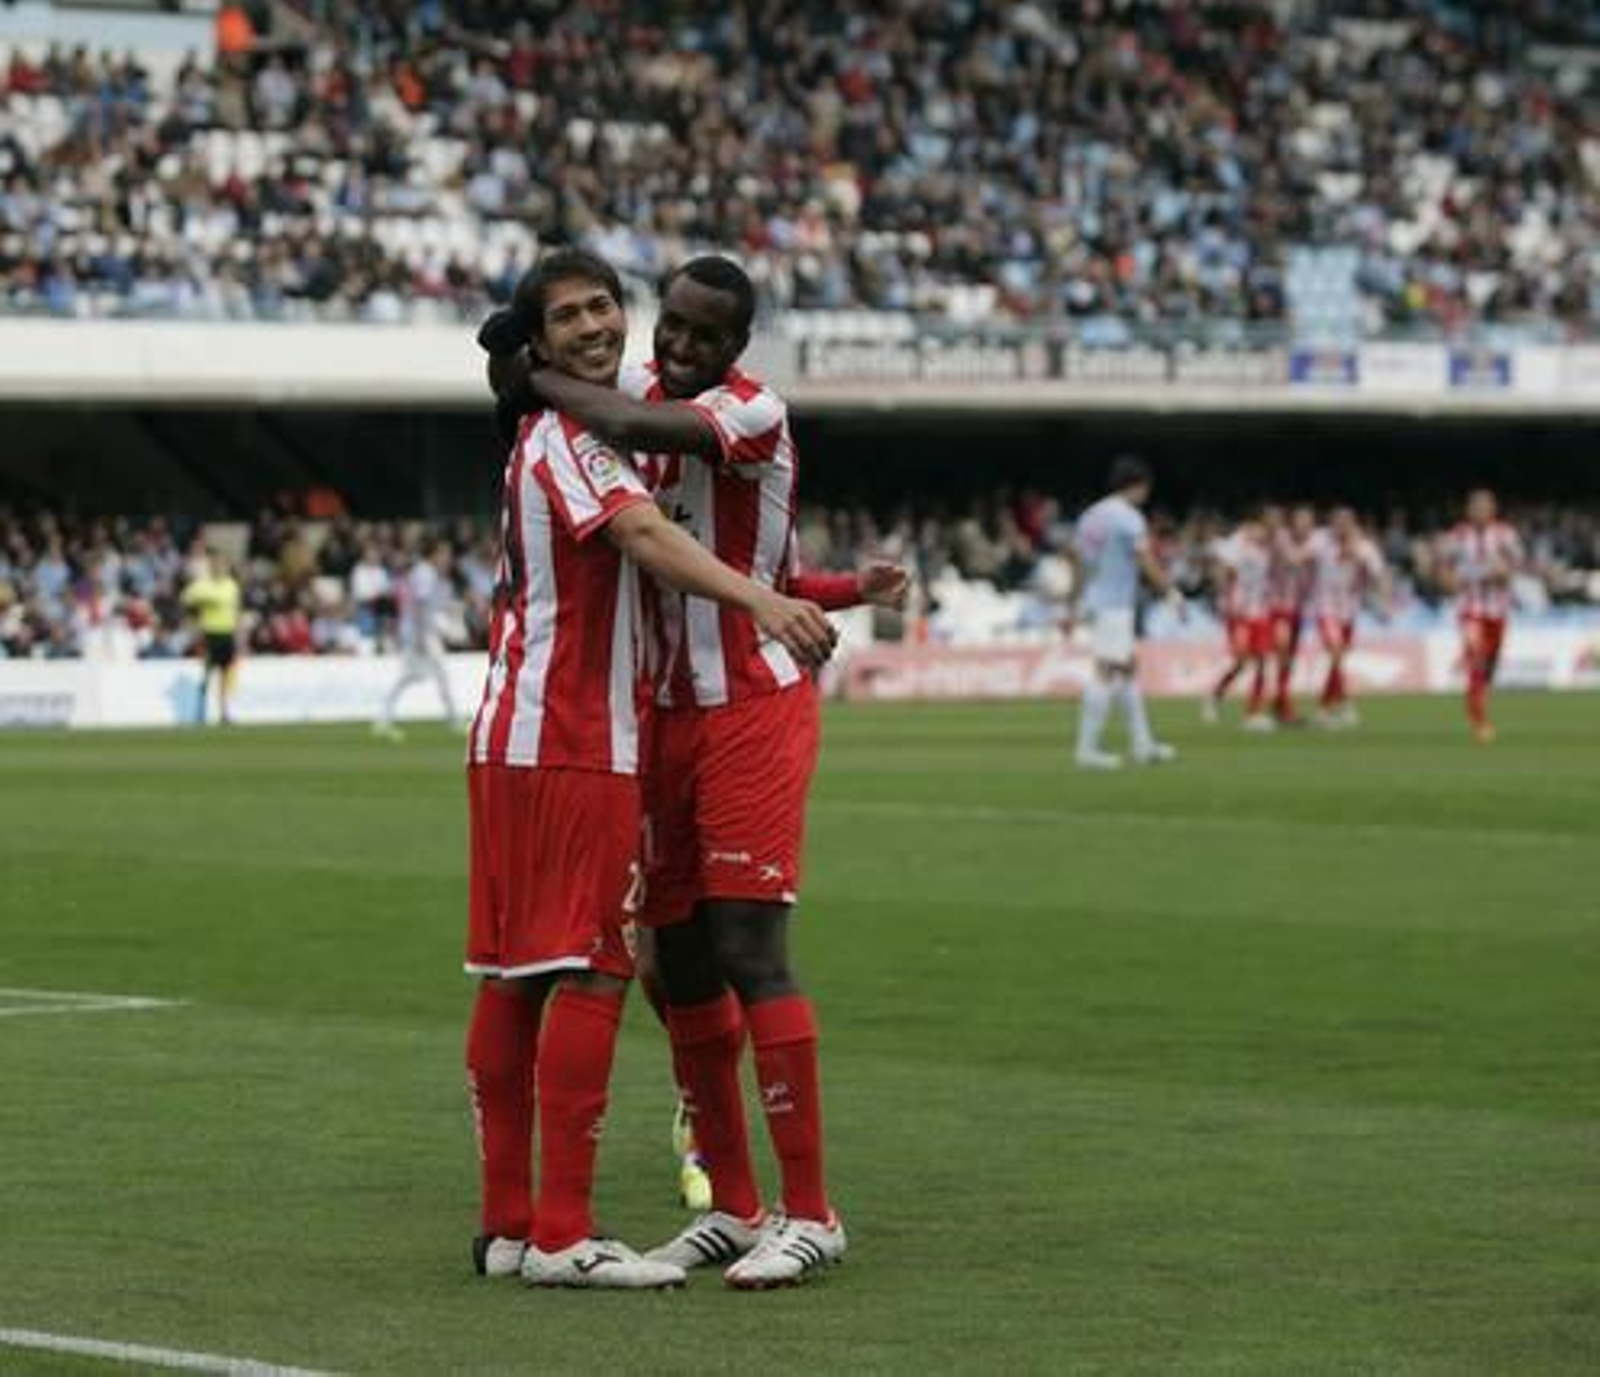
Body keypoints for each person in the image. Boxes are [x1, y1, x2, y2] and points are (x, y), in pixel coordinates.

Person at [490, 254, 907, 1288]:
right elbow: (760, 569)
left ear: (738, 346)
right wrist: (844, 586)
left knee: (745, 942)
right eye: (668, 324)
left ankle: (810, 1213)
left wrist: (526, 365)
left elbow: (635, 440)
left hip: (750, 708)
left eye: (701, 335)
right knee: (676, 965)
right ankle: (732, 1203)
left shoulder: (749, 411)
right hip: (661, 717)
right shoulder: (632, 394)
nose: (676, 346)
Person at [1069, 455, 1178, 770]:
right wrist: (1170, 591)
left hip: (1095, 600)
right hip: (1114, 604)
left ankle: (1142, 744)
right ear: (1139, 485)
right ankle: (1086, 750)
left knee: (1127, 670)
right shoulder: (1129, 518)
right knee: (1107, 670)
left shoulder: (1091, 515)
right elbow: (1145, 560)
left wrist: (1074, 602)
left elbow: (1078, 561)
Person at [1437, 488, 1523, 743]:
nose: (1480, 511)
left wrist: (1503, 573)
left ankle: (1480, 694)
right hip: (1469, 609)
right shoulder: (1457, 537)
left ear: (1493, 509)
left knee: (1490, 664)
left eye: (1485, 506)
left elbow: (1516, 566)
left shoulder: (1505, 535)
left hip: (1498, 609)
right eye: (1475, 507)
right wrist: (1448, 581)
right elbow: (1442, 570)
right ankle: (1480, 722)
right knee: (1475, 658)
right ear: (1468, 510)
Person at [1306, 507, 1391, 728]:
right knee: (1335, 652)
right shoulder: (1320, 540)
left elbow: (1379, 575)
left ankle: (1324, 708)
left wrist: (1384, 602)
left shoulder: (1364, 547)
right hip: (1325, 608)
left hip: (1349, 612)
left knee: (1338, 659)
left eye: (1346, 521)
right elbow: (1302, 557)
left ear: (1353, 524)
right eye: (1337, 521)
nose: (1341, 526)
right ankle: (1344, 704)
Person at [373, 538, 461, 741]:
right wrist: (422, 635)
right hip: (420, 633)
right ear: (435, 554)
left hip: (419, 631)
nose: (448, 558)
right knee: (429, 675)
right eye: (444, 553)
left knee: (414, 676)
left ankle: (383, 719)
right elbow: (418, 605)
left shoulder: (425, 572)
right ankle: (384, 720)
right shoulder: (426, 573)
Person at [1204, 511, 1275, 731]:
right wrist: (1222, 597)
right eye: (1262, 527)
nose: (1265, 531)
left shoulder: (1264, 548)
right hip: (1239, 613)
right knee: (1242, 661)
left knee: (1263, 660)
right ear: (1250, 525)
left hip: (1259, 612)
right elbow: (1221, 570)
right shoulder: (1237, 544)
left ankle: (1253, 713)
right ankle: (1215, 696)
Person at [180, 550, 242, 725]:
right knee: (206, 674)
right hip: (209, 634)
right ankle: (200, 712)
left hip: (227, 634)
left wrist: (238, 634)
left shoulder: (232, 586)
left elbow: (235, 611)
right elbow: (185, 599)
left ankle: (224, 713)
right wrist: (202, 605)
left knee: (225, 675)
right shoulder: (202, 585)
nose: (220, 568)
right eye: (217, 565)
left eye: (223, 565)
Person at [1267, 504, 1314, 725]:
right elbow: (1294, 560)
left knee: (1288, 661)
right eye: (1300, 521)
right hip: (1277, 608)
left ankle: (1281, 705)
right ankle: (1285, 709)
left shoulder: (1310, 543)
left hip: (1297, 609)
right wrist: (1314, 550)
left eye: (1308, 522)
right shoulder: (1282, 538)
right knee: (1283, 652)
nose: (1304, 526)